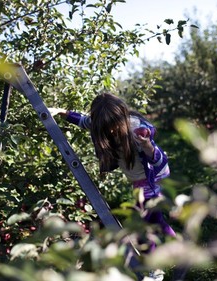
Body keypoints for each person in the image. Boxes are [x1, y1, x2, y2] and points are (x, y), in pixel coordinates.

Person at [51, 93, 176, 280]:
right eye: (105, 127)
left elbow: (159, 160)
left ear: (122, 116)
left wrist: (148, 146)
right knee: (154, 220)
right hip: (139, 181)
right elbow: (84, 121)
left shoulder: (137, 130)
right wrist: (62, 112)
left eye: (113, 126)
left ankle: (155, 270)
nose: (110, 131)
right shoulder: (102, 125)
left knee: (143, 222)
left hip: (153, 179)